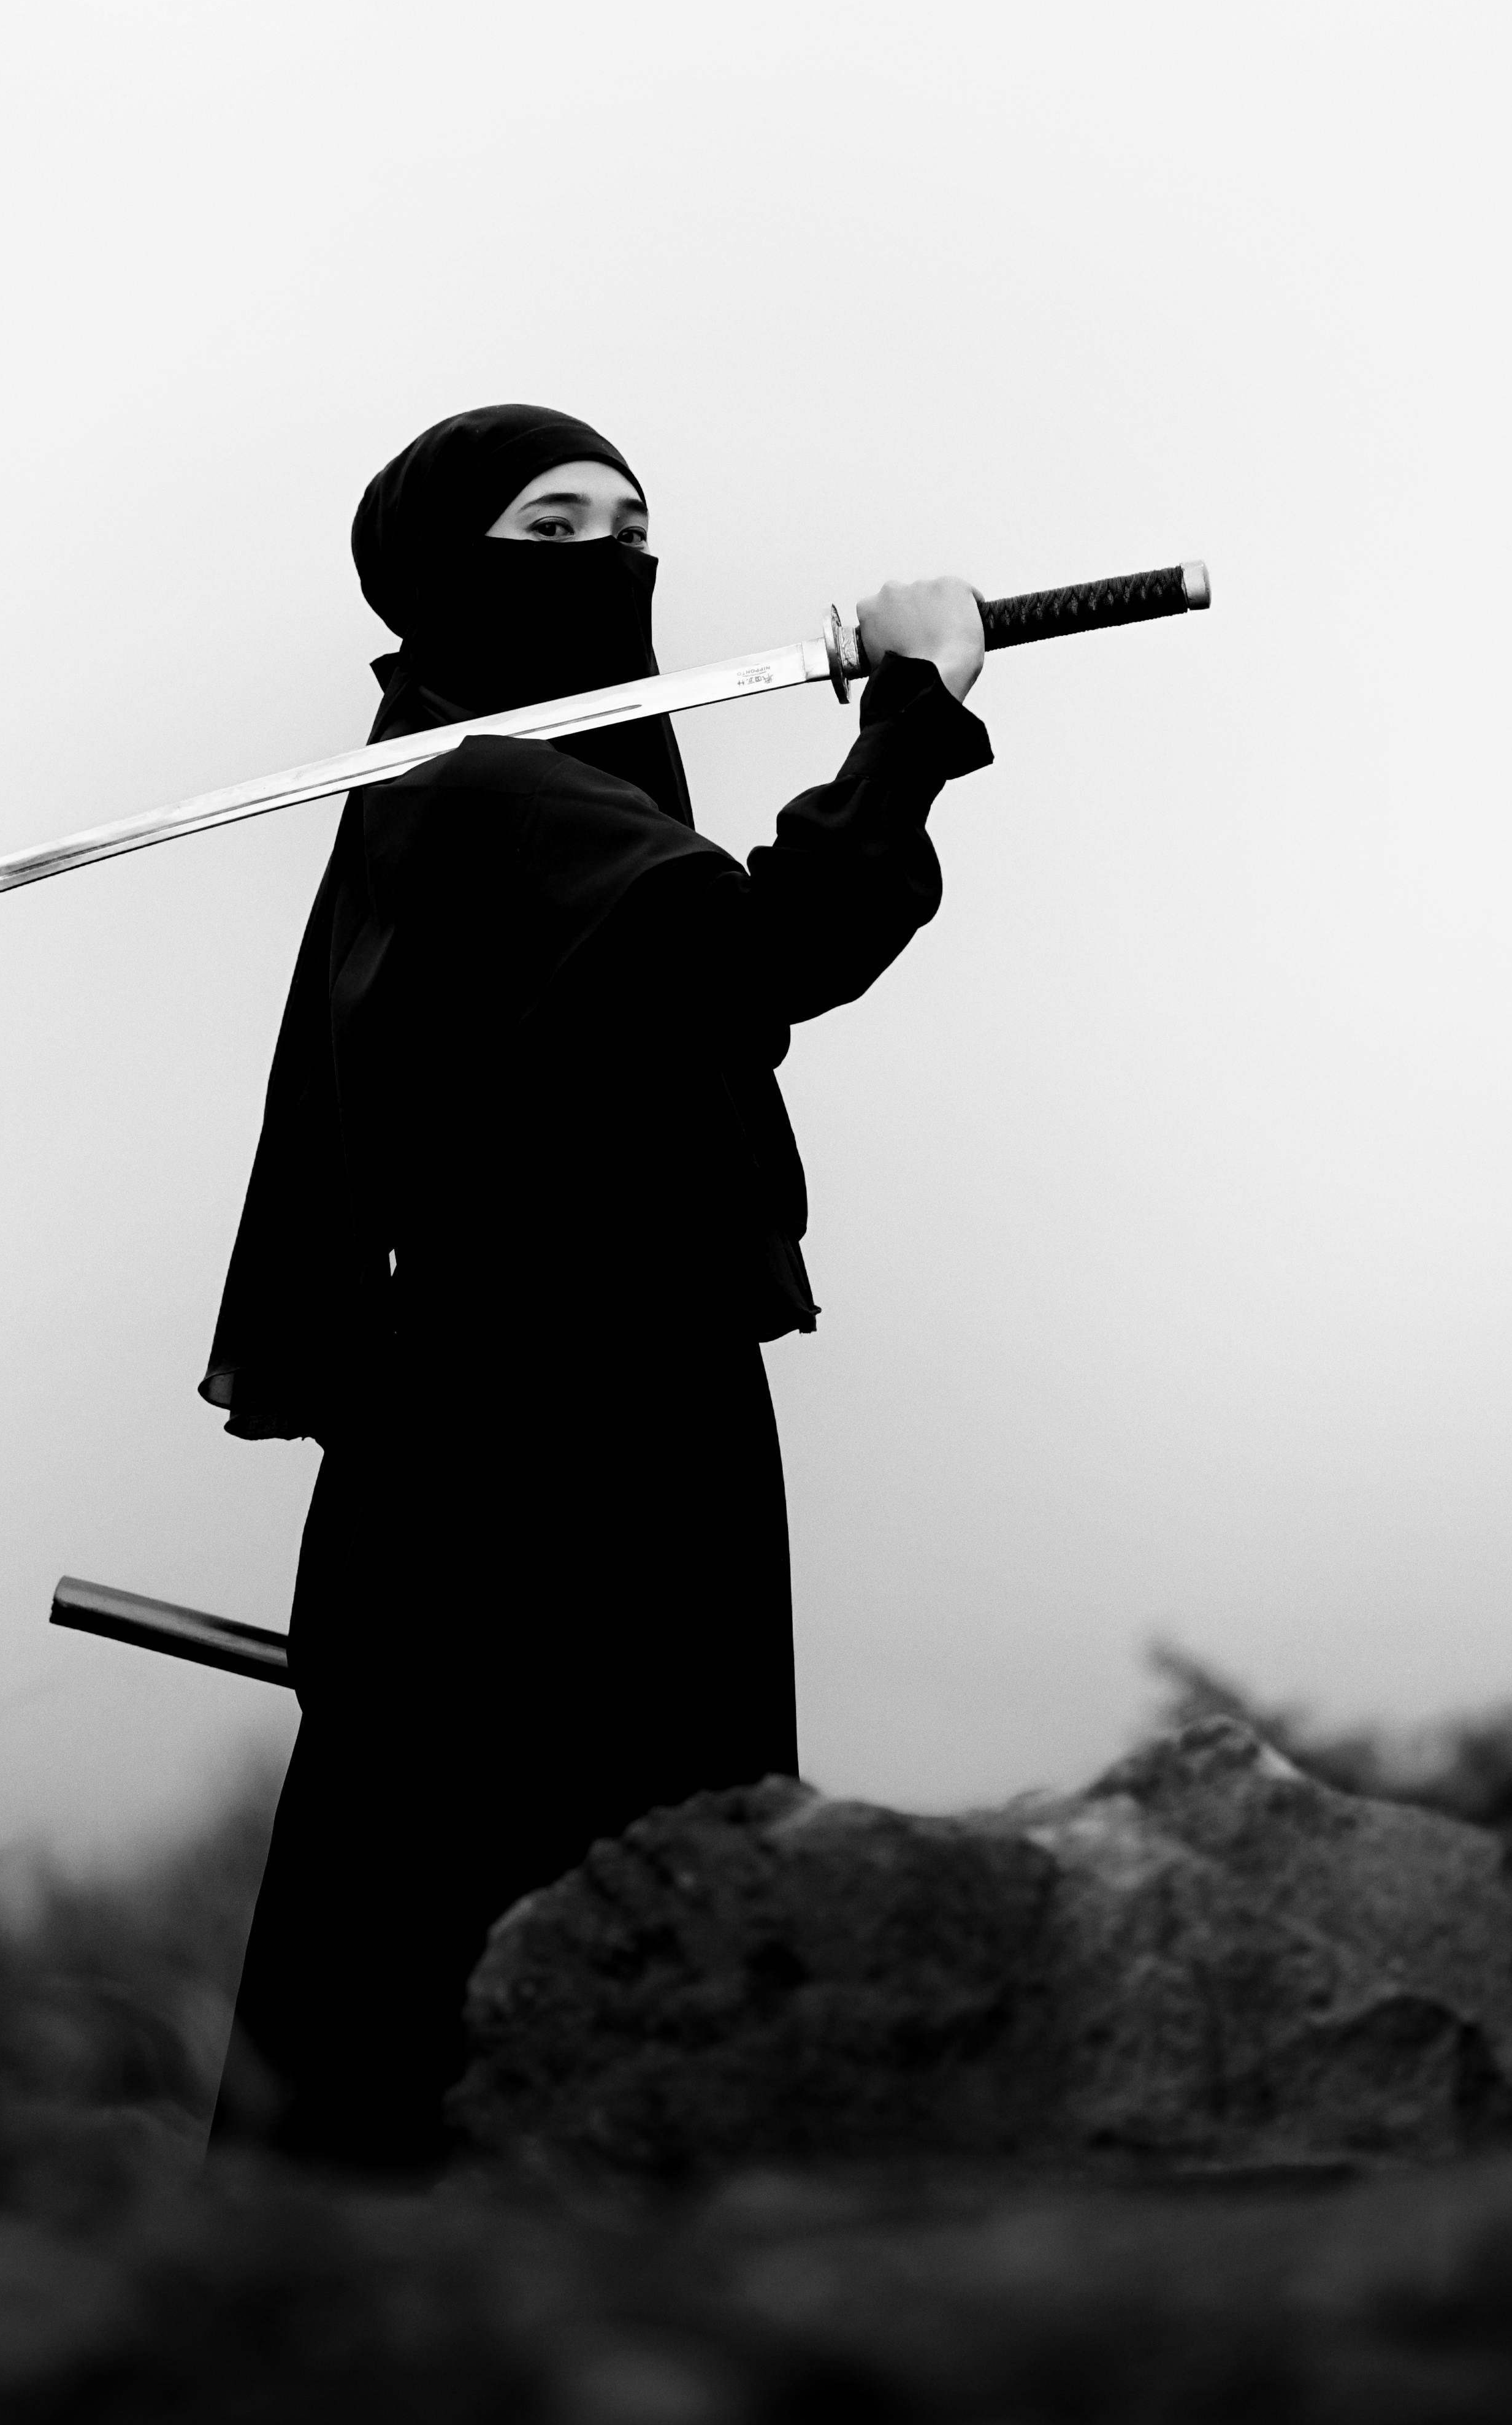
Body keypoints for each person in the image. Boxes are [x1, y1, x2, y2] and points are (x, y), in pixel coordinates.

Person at [202, 402, 990, 2169]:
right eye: (549, 532)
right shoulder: (485, 787)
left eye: (630, 529)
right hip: (558, 1438)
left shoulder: (499, 800)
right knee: (570, 1910)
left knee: (518, 1915)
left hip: (550, 1414)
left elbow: (706, 989)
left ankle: (428, 2291)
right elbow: (778, 941)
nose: (609, 562)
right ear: (439, 576)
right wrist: (916, 712)